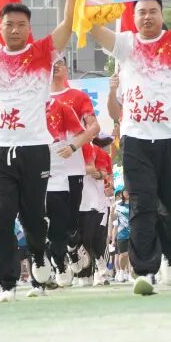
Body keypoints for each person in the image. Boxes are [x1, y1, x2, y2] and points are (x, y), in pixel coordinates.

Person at [83, 0, 171, 296]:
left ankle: (170, 257)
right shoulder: (126, 44)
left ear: (162, 14)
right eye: (141, 12)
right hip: (136, 139)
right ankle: (144, 271)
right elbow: (94, 29)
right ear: (134, 16)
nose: (147, 17)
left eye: (153, 11)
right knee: (141, 204)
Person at [0, 0, 79, 303]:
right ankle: (6, 282)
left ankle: (37, 256)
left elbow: (67, 26)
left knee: (33, 217)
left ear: (29, 28)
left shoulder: (43, 52)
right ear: (0, 28)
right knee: (2, 215)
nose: (15, 29)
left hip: (34, 149)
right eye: (9, 25)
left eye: (21, 24)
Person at [48, 58, 109, 279]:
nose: (55, 66)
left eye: (60, 62)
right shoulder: (37, 98)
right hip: (46, 168)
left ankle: (73, 247)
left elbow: (94, 127)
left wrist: (74, 145)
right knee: (50, 217)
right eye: (51, 62)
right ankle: (59, 264)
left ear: (66, 69)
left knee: (72, 220)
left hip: (73, 166)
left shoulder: (77, 97)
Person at [42, 91, 87, 291]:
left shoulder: (61, 107)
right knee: (36, 227)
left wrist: (72, 147)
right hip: (32, 178)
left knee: (60, 228)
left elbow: (82, 133)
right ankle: (43, 270)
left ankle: (60, 262)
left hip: (57, 180)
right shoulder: (23, 107)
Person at [76, 141, 114, 286]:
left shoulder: (97, 151)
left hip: (95, 203)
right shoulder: (63, 149)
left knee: (95, 239)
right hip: (73, 201)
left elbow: (105, 174)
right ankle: (83, 273)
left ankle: (100, 271)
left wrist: (93, 172)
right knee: (79, 240)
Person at [113, 191, 132, 283]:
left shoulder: (134, 204)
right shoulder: (118, 205)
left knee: (132, 254)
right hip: (122, 234)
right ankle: (121, 271)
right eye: (125, 191)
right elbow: (113, 220)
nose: (127, 193)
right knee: (123, 254)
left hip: (133, 233)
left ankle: (131, 273)